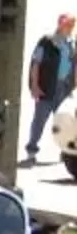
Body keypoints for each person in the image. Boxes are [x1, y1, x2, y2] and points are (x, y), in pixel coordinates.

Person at [28, 12, 75, 164]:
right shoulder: (47, 42)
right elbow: (36, 63)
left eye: (72, 25)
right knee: (40, 120)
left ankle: (67, 153)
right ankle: (31, 150)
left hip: (64, 88)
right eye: (68, 25)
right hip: (48, 86)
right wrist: (35, 85)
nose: (71, 28)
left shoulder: (71, 44)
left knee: (67, 122)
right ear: (61, 25)